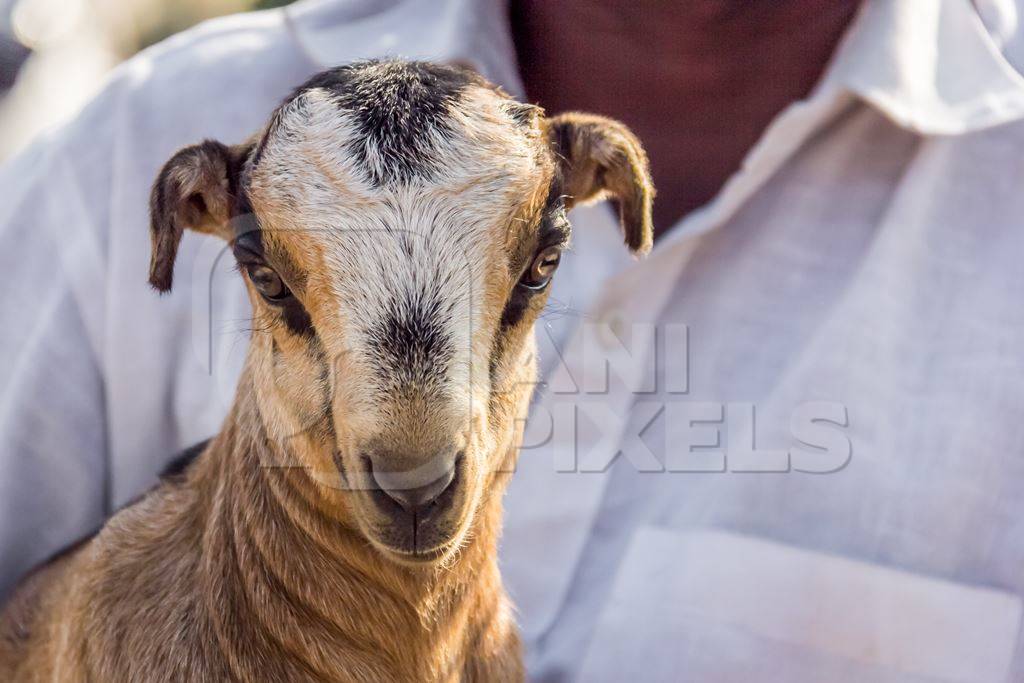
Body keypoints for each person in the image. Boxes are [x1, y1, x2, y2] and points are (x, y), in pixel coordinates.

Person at [3, 0, 1024, 680]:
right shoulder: (129, 134)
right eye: (278, 278)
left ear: (601, 186)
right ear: (195, 208)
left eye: (533, 262)